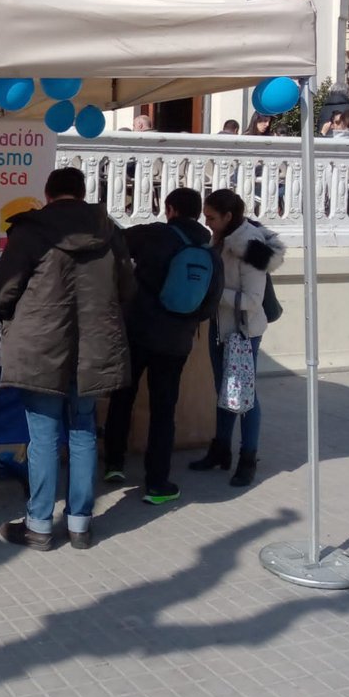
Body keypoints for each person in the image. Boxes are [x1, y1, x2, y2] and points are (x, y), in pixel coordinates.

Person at [0, 167, 134, 551]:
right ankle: (80, 525)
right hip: (94, 347)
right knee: (84, 429)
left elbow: (4, 290)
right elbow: (127, 287)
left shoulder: (29, 231)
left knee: (43, 437)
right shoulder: (109, 233)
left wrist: (11, 318)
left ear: (48, 193)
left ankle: (39, 525)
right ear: (83, 192)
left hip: (41, 347)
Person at [103, 188, 223, 504]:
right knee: (163, 410)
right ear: (197, 213)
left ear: (169, 209)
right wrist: (185, 320)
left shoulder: (154, 234)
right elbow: (211, 303)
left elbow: (116, 244)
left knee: (122, 396)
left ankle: (114, 464)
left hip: (138, 331)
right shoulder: (209, 249)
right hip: (177, 341)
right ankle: (157, 483)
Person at [190, 190, 285, 487]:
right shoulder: (220, 239)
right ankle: (220, 450)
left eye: (212, 218)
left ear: (228, 217)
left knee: (245, 397)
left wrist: (215, 292)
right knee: (224, 391)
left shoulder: (249, 246)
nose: (207, 222)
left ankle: (248, 458)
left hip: (243, 332)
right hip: (220, 327)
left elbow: (253, 300)